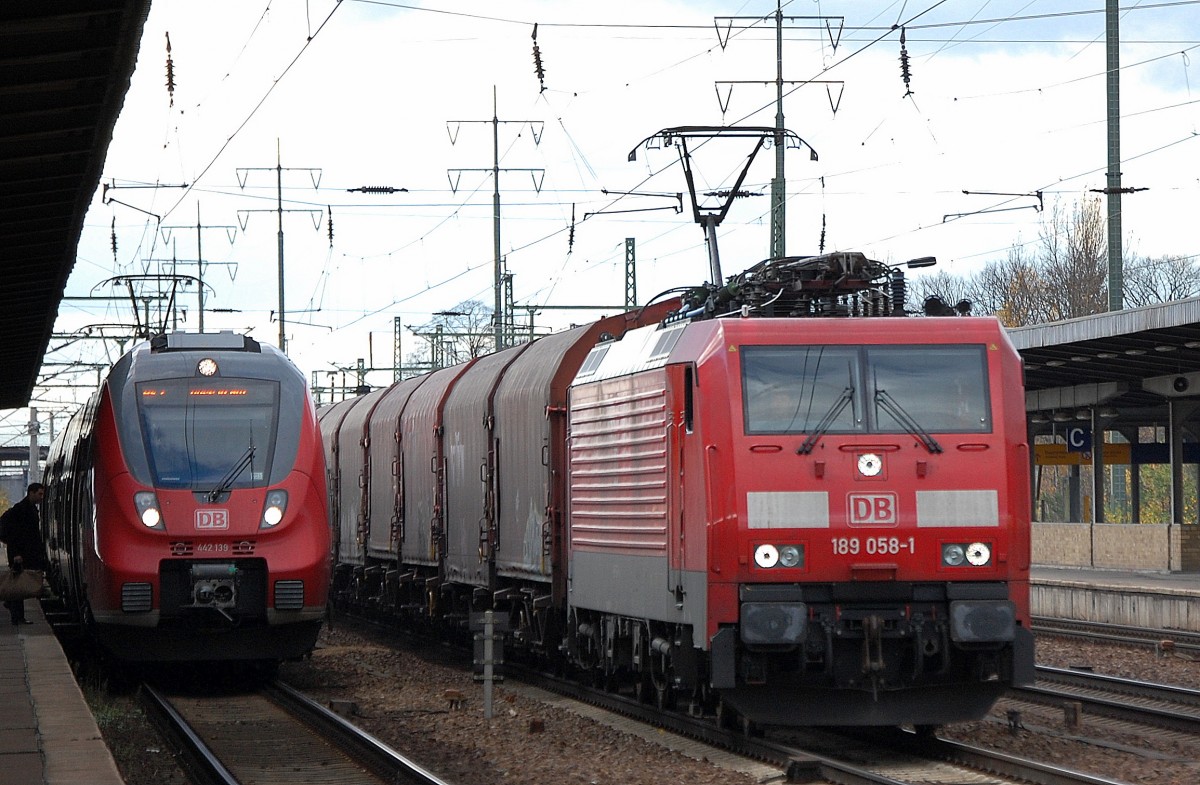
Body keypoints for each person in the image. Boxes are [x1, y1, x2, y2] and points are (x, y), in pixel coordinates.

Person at [1, 482, 46, 625]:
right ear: (31, 493)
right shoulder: (20, 510)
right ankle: (16, 615)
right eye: (39, 493)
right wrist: (16, 554)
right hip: (19, 555)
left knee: (19, 584)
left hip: (25, 553)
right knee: (17, 586)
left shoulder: (29, 508)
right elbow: (15, 534)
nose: (41, 497)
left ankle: (16, 613)